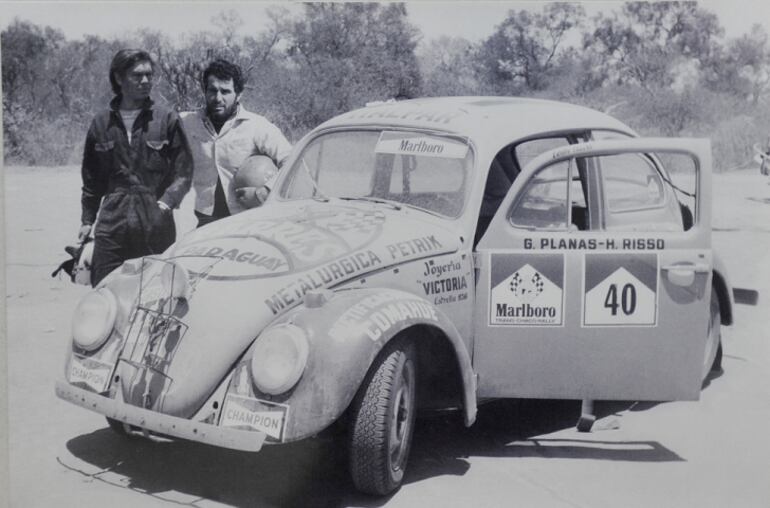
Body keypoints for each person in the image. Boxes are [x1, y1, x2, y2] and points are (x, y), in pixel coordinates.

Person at [78, 49, 192, 286]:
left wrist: (166, 203)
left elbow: (183, 170)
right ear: (119, 78)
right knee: (105, 287)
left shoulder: (166, 118)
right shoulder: (101, 123)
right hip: (112, 221)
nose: (145, 81)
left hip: (155, 220)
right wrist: (87, 220)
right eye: (137, 75)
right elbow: (91, 178)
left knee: (156, 289)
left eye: (149, 75)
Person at [181, 59, 292, 227]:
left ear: (239, 94)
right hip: (202, 221)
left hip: (246, 221)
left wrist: (263, 192)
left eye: (225, 92)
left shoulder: (257, 126)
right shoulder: (188, 122)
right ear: (204, 91)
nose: (217, 98)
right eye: (212, 91)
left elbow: (292, 161)